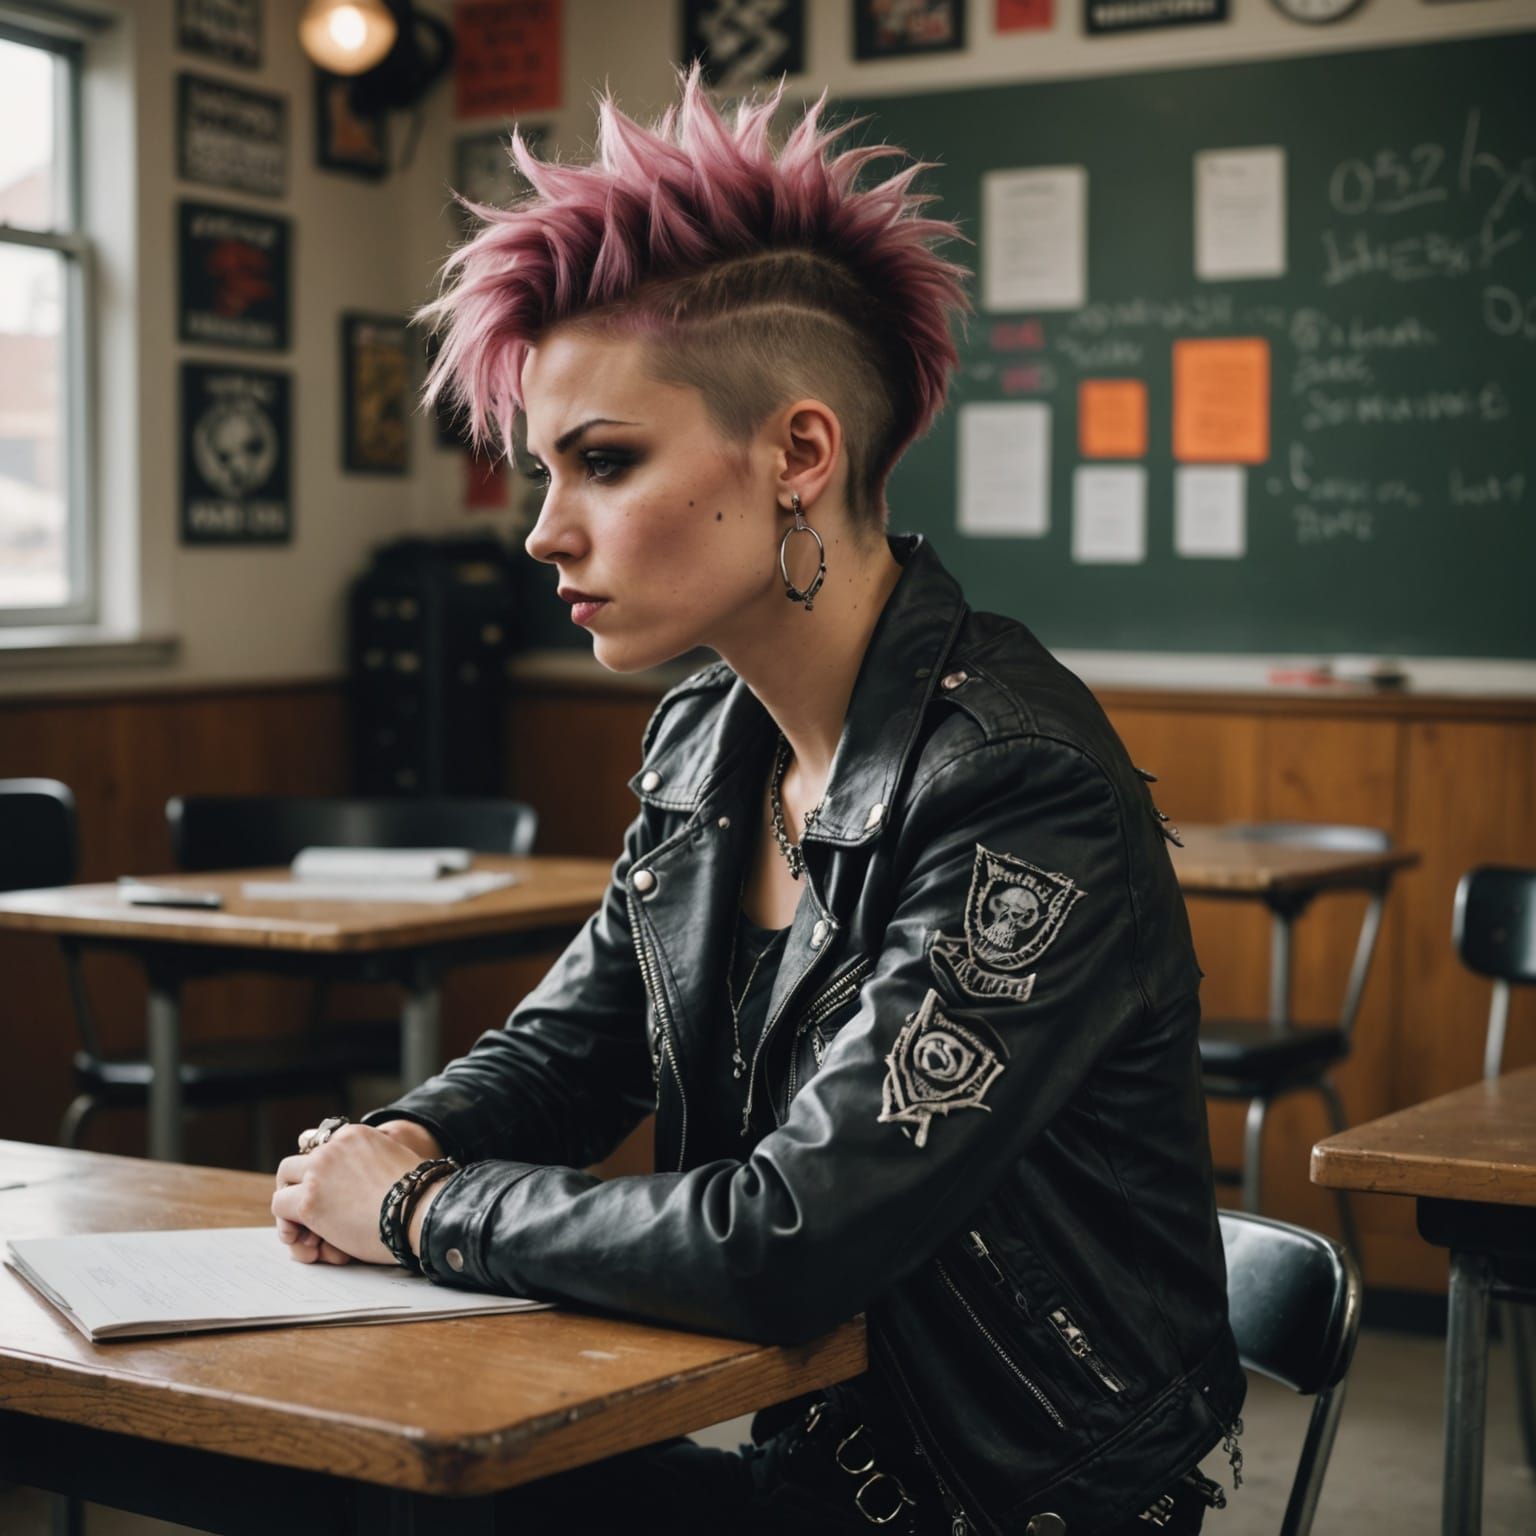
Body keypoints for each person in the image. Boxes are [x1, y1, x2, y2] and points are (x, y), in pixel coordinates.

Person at [271, 62, 1247, 1535]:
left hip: (1012, 1505)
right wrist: (386, 1146)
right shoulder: (706, 739)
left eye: (605, 462)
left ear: (801, 453)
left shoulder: (1018, 790)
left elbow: (787, 1237)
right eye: (544, 471)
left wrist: (413, 1212)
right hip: (814, 1462)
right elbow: (566, 1058)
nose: (544, 532)